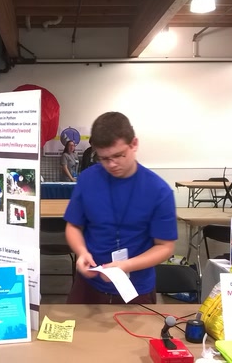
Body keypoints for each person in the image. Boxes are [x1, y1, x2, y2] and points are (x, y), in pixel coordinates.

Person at [63, 112, 177, 304]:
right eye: (104, 158)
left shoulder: (159, 190)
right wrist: (81, 252)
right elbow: (73, 226)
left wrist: (126, 265)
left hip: (135, 288)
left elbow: (165, 247)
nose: (112, 164)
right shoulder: (88, 179)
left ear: (134, 144)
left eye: (118, 155)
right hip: (89, 285)